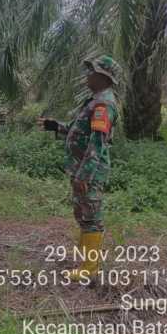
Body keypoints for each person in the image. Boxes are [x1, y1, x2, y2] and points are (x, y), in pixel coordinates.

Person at [39, 55, 119, 282]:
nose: (88, 75)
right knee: (84, 215)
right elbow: (80, 132)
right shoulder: (95, 101)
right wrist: (55, 126)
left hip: (90, 172)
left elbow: (97, 142)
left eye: (91, 71)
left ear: (103, 77)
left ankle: (89, 269)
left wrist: (84, 175)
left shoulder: (104, 105)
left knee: (92, 216)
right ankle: (85, 262)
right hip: (82, 169)